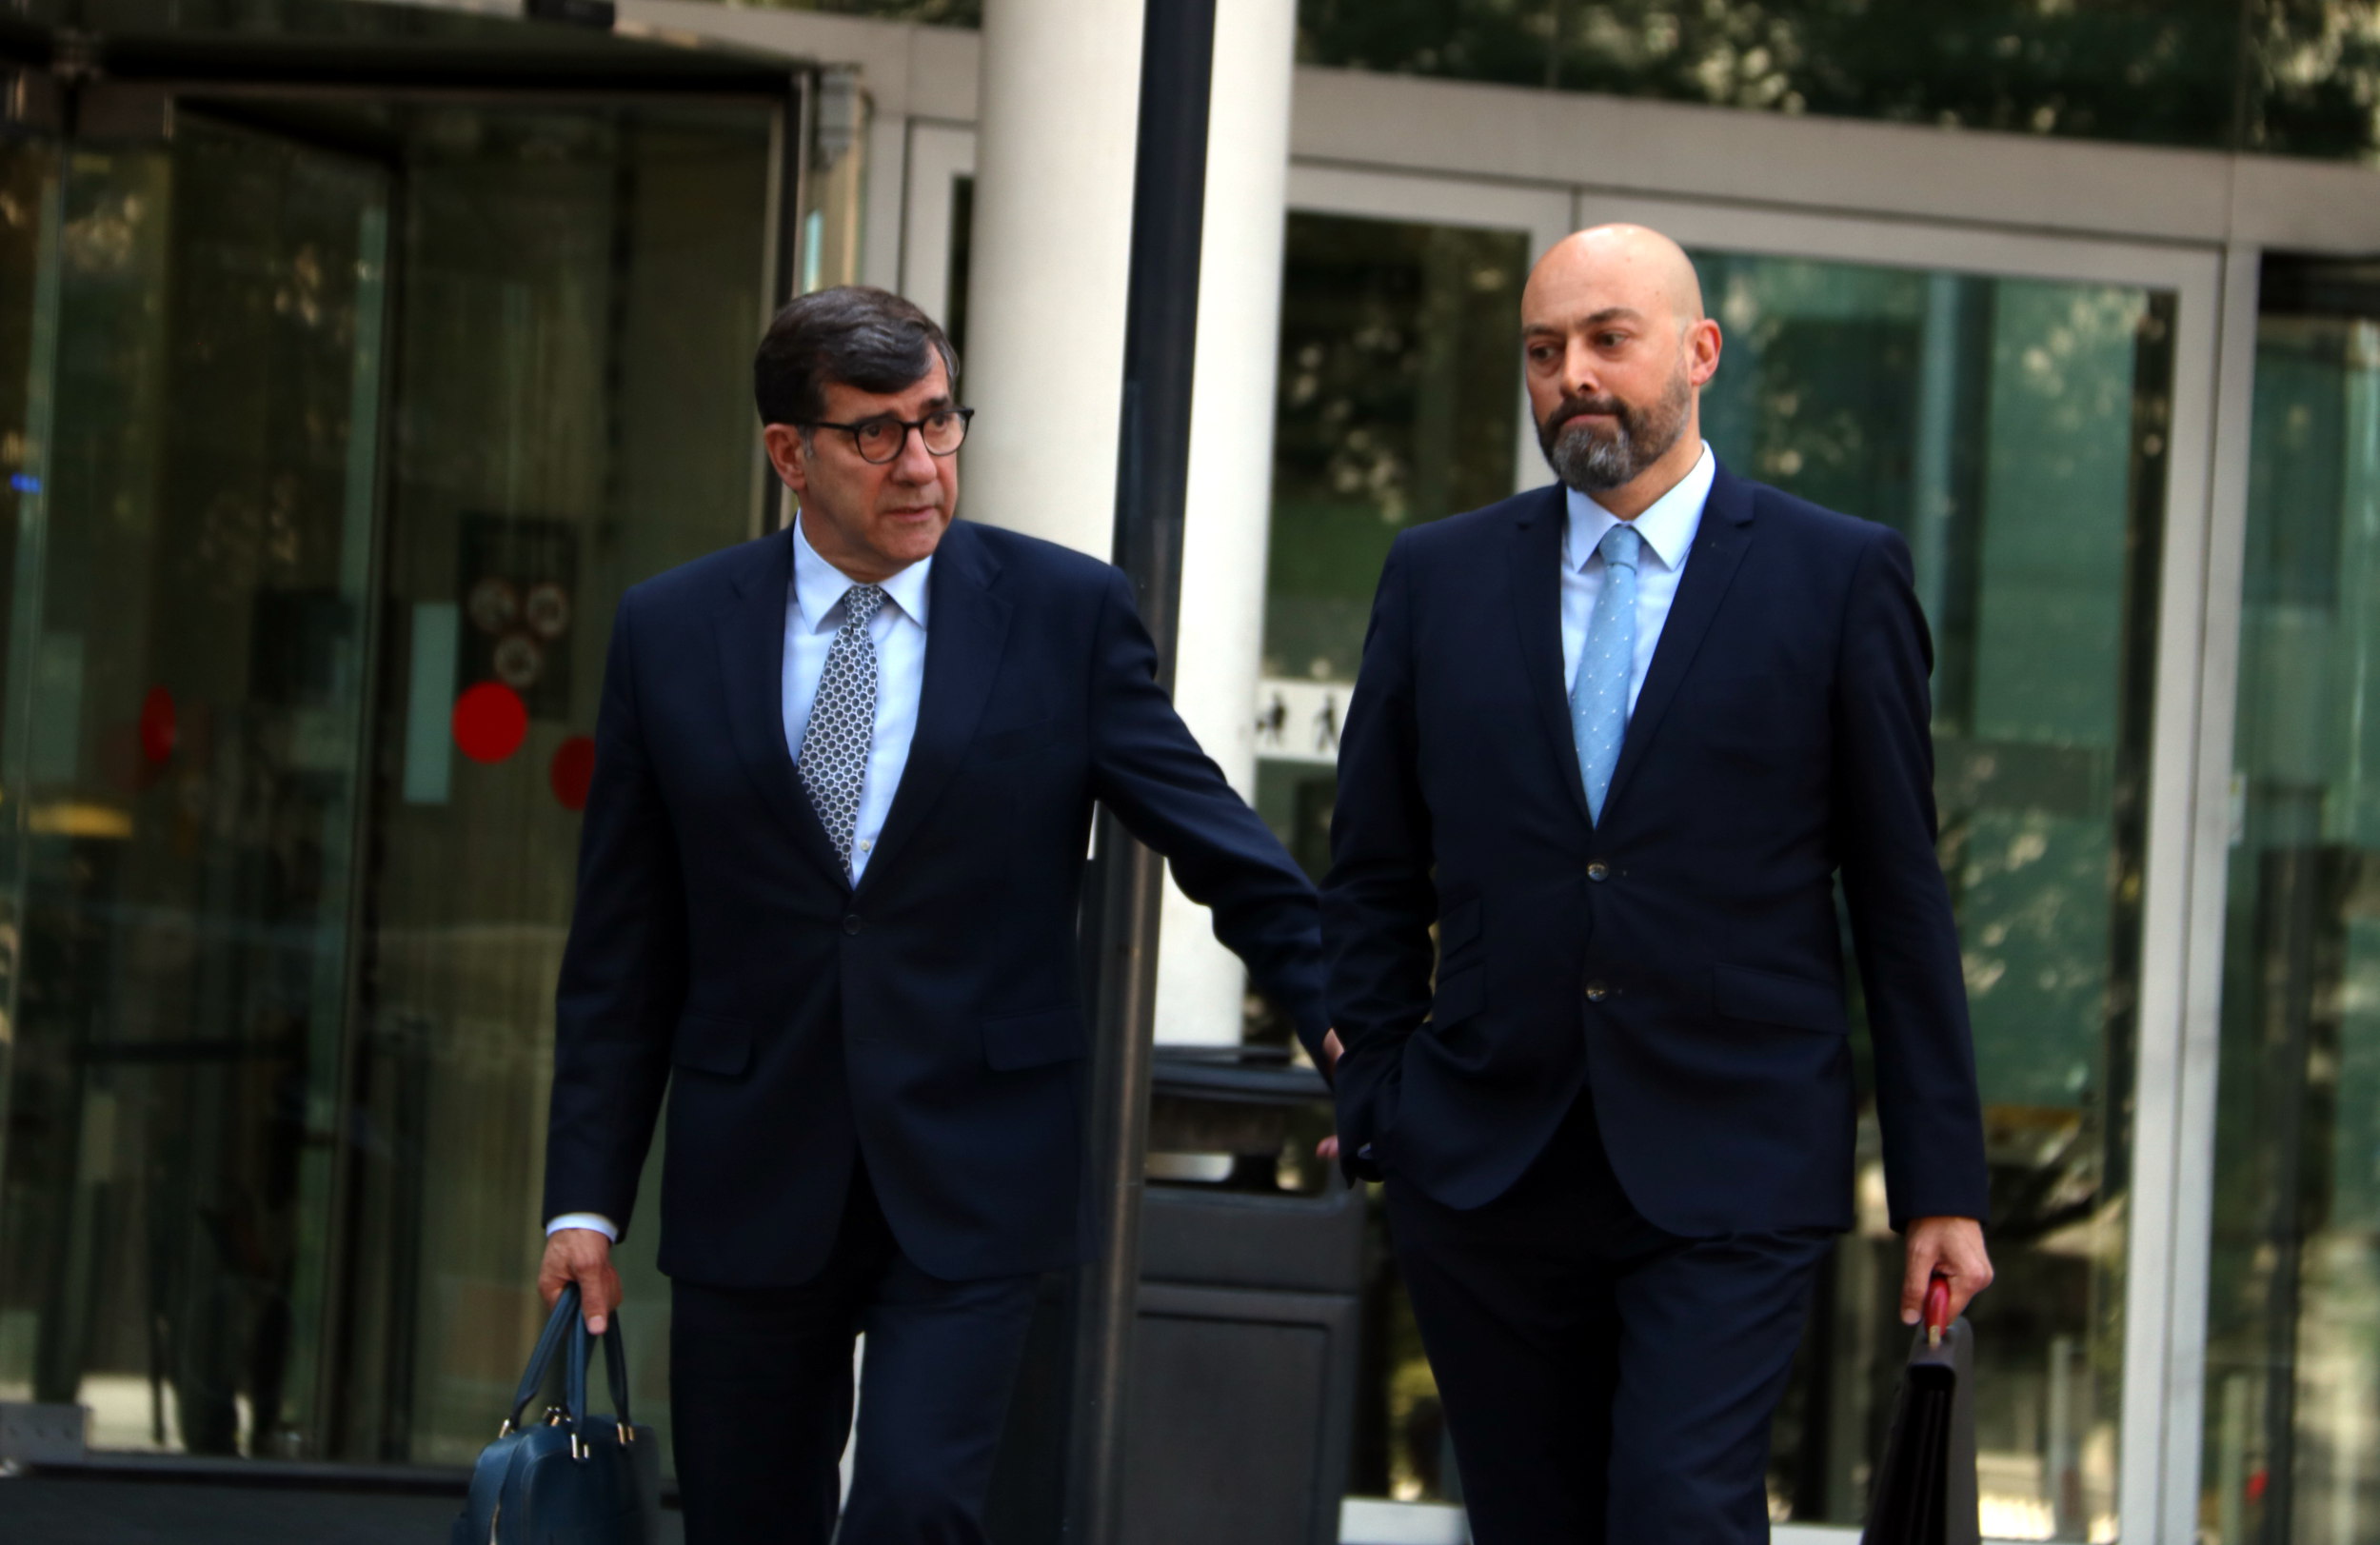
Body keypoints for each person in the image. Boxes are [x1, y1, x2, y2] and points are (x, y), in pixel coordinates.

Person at [537, 287, 1329, 1545]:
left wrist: (1345, 1024)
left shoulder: (1063, 616)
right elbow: (623, 951)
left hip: (974, 1166)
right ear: (788, 452)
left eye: (939, 422)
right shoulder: (671, 632)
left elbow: (1216, 840)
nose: (921, 466)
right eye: (876, 434)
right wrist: (585, 1199)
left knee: (916, 1511)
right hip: (755, 1168)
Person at [1323, 225, 1994, 1543]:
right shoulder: (1438, 577)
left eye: (1606, 340)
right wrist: (1380, 1091)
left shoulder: (1836, 575)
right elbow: (1374, 867)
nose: (1571, 374)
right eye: (1542, 350)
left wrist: (1942, 1186)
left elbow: (1900, 899)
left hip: (1734, 1163)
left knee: (1681, 1512)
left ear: (1697, 355)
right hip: (1486, 1163)